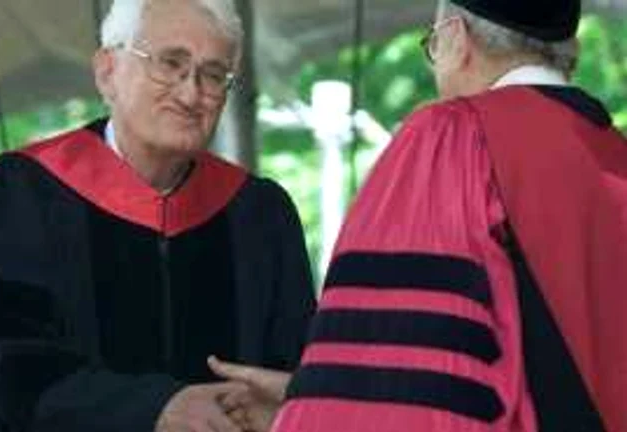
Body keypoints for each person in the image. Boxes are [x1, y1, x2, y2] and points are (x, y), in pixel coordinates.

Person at [210, 0, 627, 430]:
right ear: (571, 49)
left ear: (457, 39)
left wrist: (310, 411)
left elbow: (411, 402)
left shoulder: (454, 141)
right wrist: (306, 390)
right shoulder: (613, 155)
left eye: (432, 45)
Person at [0, 0, 316, 431]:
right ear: (107, 71)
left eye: (213, 75)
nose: (191, 93)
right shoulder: (14, 195)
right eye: (170, 63)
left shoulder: (259, 215)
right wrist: (154, 409)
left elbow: (300, 365)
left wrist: (291, 401)